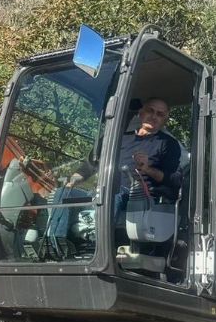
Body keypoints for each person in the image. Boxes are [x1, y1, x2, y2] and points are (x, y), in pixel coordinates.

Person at [66, 97, 182, 246]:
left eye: (160, 114)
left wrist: (147, 169)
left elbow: (174, 180)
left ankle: (98, 245)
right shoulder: (115, 138)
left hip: (137, 197)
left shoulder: (168, 144)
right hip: (101, 193)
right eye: (150, 111)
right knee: (63, 193)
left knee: (114, 192)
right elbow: (89, 166)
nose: (154, 116)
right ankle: (57, 243)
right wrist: (72, 181)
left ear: (164, 120)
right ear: (141, 112)